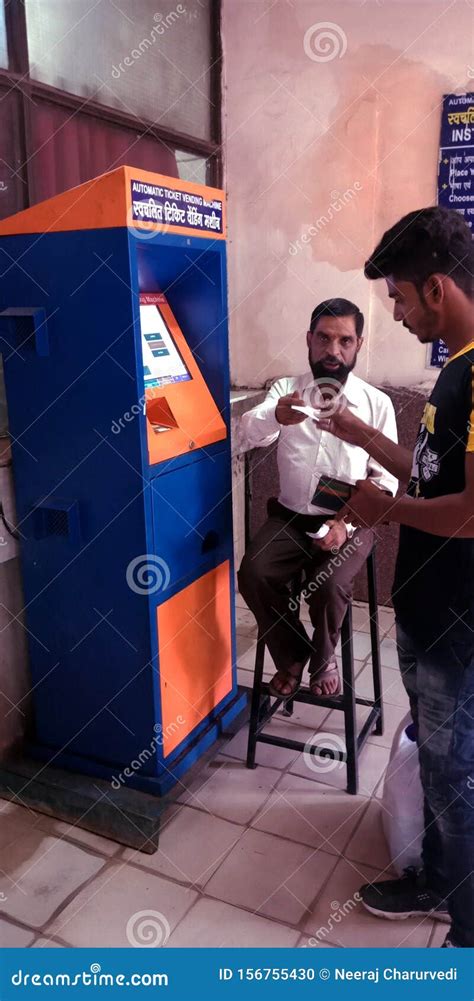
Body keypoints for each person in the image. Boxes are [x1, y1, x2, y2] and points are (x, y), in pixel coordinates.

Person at [317, 208, 474, 948]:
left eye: (401, 300)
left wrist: (388, 506)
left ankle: (465, 927)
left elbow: (471, 514)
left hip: (458, 622)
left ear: (436, 289)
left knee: (454, 773)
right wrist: (365, 436)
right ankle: (439, 879)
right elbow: (432, 470)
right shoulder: (457, 366)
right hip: (426, 608)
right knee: (442, 764)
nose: (400, 315)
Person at [237, 298, 398, 700]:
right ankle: (293, 654)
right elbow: (245, 436)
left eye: (344, 340)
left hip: (351, 520)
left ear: (358, 344)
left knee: (329, 586)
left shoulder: (376, 404)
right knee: (254, 574)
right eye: (323, 338)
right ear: (309, 340)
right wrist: (275, 416)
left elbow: (389, 482)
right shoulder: (286, 392)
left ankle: (324, 658)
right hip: (291, 518)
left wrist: (347, 524)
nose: (332, 350)